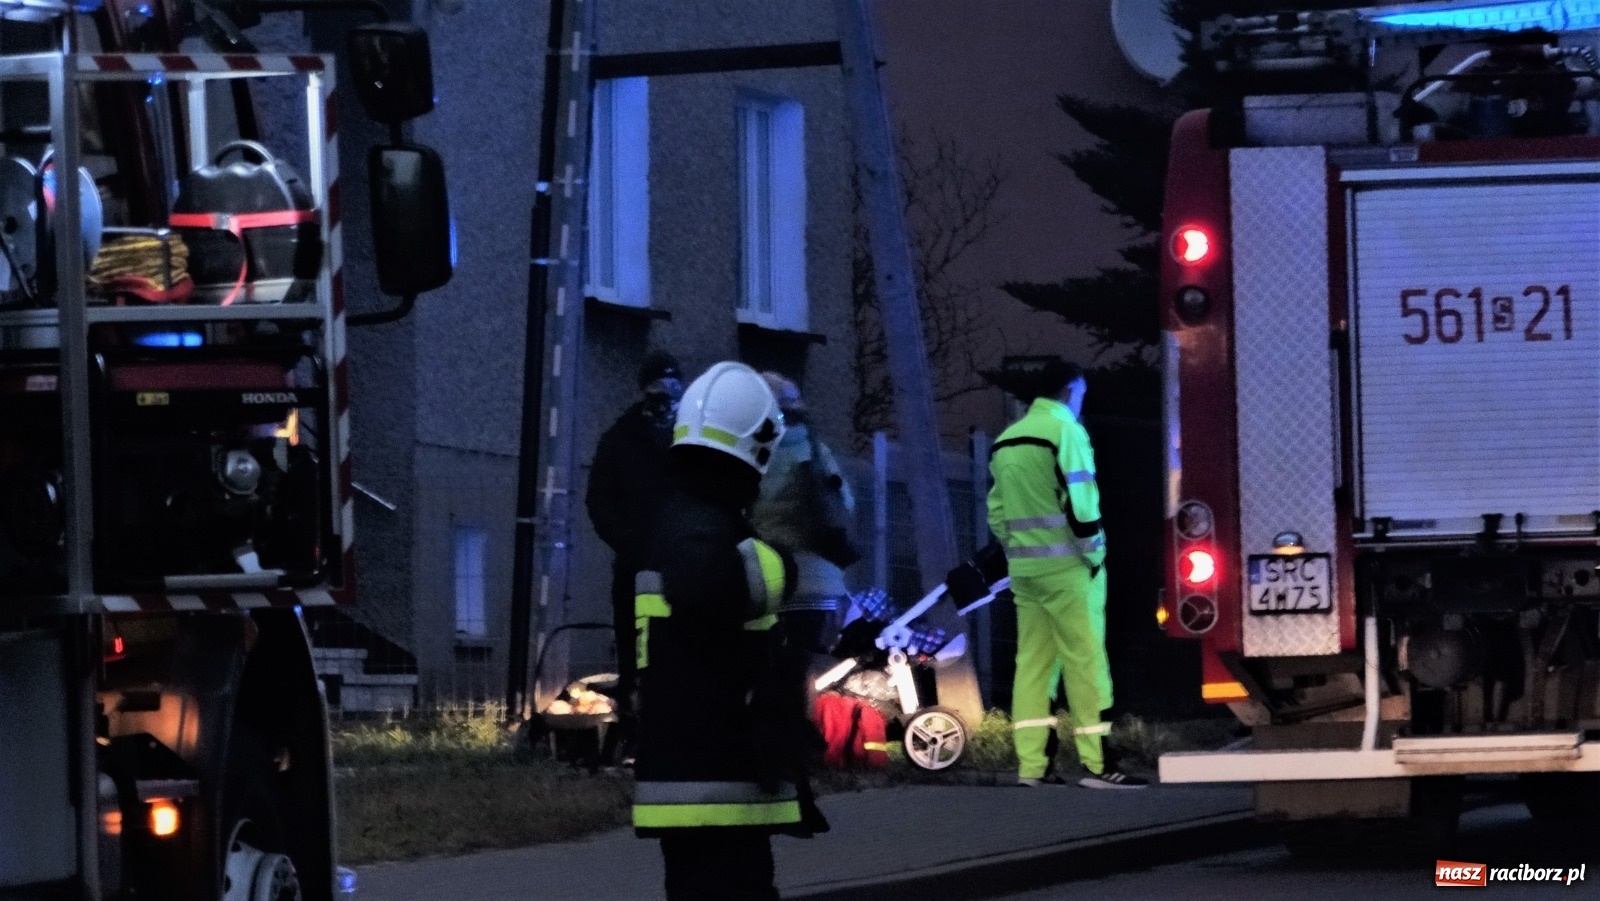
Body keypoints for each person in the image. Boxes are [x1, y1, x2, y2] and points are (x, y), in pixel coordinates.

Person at [632, 361, 827, 901]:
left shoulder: (679, 513)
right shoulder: (701, 525)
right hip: (715, 776)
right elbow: (713, 583)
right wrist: (780, 568)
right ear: (755, 450)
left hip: (698, 767)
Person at [987, 359, 1148, 789]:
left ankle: (1032, 768)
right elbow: (1082, 505)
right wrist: (1093, 555)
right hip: (1070, 571)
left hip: (1025, 571)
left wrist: (1019, 551)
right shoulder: (1067, 432)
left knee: (1033, 665)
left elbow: (997, 512)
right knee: (1085, 662)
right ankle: (1098, 765)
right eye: (1080, 394)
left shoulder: (1007, 440)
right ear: (1070, 391)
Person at [586, 351, 684, 757]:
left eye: (672, 387)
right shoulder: (621, 439)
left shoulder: (693, 435)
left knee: (680, 646)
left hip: (684, 563)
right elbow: (599, 500)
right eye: (658, 388)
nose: (665, 397)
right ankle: (634, 729)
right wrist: (629, 543)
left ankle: (678, 729)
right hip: (637, 565)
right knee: (635, 649)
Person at [750, 371, 855, 656]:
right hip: (824, 583)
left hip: (777, 582)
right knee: (809, 671)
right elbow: (845, 503)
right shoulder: (817, 450)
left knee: (773, 667)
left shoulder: (755, 455)